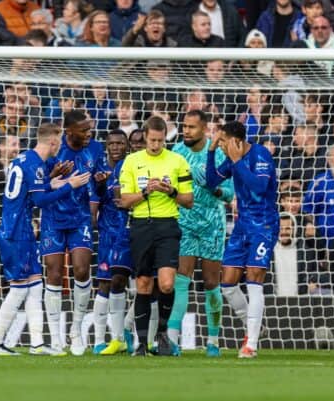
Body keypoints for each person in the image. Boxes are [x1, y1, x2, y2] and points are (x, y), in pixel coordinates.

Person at [0, 123, 91, 356]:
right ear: (52, 142)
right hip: (16, 233)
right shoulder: (35, 165)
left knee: (35, 286)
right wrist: (70, 185)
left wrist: (51, 182)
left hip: (18, 229)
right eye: (59, 141)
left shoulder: (25, 160)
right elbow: (42, 202)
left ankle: (36, 343)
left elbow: (31, 197)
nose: (60, 146)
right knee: (19, 289)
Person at [118, 115, 194, 356]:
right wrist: (145, 191)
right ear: (146, 136)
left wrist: (171, 191)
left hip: (168, 226)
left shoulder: (177, 161)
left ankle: (162, 334)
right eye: (152, 140)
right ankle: (141, 343)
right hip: (141, 225)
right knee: (142, 283)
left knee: (167, 284)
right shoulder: (131, 161)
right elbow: (125, 200)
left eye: (160, 141)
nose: (155, 145)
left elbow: (189, 201)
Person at [206, 120, 279, 358]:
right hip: (242, 225)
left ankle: (252, 343)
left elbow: (259, 187)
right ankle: (255, 326)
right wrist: (210, 151)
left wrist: (237, 162)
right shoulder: (230, 158)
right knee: (227, 283)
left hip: (264, 225)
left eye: (224, 143)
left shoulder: (261, 155)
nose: (222, 147)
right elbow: (211, 182)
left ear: (237, 141)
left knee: (254, 278)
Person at [166, 110, 234, 357]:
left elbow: (229, 193)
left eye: (192, 127)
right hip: (184, 223)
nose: (186, 130)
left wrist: (212, 186)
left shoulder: (217, 156)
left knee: (211, 282)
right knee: (181, 279)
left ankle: (213, 340)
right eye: (184, 126)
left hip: (212, 225)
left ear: (205, 129)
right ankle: (172, 340)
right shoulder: (176, 154)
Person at [40, 110, 108, 356]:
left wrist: (100, 181)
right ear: (69, 131)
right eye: (84, 130)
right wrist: (53, 175)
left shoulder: (96, 149)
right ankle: (55, 336)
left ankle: (76, 330)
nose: (89, 133)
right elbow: (39, 184)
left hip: (80, 218)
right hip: (53, 218)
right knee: (54, 273)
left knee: (81, 269)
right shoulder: (54, 149)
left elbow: (99, 186)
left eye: (90, 128)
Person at [90, 129, 134, 355]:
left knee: (138, 286)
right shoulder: (99, 171)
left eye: (120, 143)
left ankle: (126, 333)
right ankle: (100, 339)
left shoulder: (132, 166)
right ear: (106, 146)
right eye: (111, 144)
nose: (115, 147)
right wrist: (99, 185)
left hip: (133, 232)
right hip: (109, 235)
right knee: (106, 284)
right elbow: (94, 202)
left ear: (126, 146)